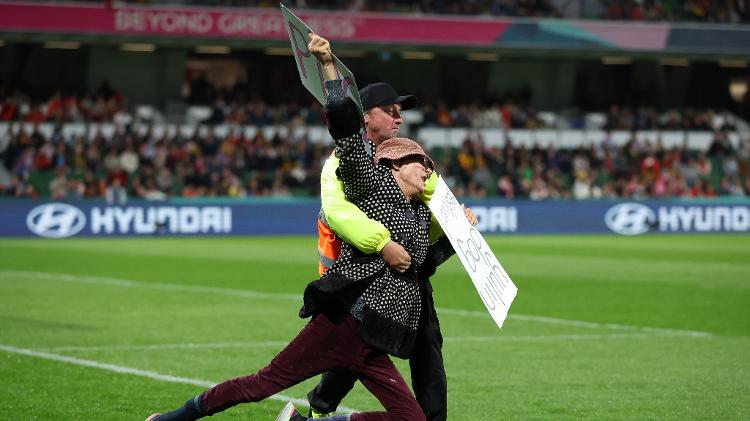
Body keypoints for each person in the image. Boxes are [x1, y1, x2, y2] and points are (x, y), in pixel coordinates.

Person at [145, 36, 476, 421]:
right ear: (396, 165)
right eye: (420, 161)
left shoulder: (419, 215)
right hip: (343, 321)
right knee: (262, 384)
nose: (428, 168)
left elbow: (424, 259)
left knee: (413, 420)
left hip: (374, 339)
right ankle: (176, 418)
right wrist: (328, 68)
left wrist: (459, 234)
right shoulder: (369, 183)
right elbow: (346, 134)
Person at [308, 36, 449, 421]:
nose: (400, 117)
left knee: (428, 349)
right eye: (391, 110)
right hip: (360, 275)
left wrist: (455, 225)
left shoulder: (411, 160)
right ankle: (320, 410)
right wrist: (383, 243)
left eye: (400, 111)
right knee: (351, 360)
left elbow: (437, 207)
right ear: (365, 116)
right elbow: (337, 213)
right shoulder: (342, 160)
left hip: (409, 274)